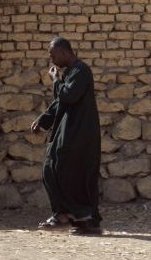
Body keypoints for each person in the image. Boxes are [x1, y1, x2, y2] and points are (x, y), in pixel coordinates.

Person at [31, 37, 102, 235]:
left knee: (69, 170)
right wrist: (43, 121)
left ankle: (84, 218)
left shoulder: (81, 71)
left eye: (53, 55)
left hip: (81, 133)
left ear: (64, 52)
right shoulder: (71, 73)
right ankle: (66, 214)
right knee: (52, 168)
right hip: (70, 131)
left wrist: (55, 81)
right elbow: (61, 101)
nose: (52, 60)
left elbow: (68, 96)